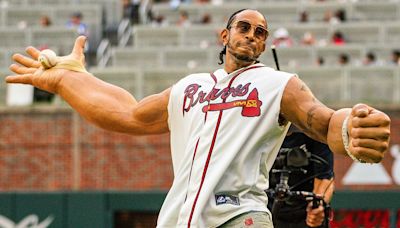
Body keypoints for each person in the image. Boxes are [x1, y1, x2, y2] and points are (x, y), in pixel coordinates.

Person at [6, 9, 391, 227]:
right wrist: (71, 80)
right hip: (180, 220)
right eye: (244, 28)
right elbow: (127, 112)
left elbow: (321, 121)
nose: (252, 36)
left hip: (241, 216)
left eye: (261, 32)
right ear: (224, 35)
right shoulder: (191, 87)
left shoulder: (278, 84)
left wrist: (349, 128)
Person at [268, 126, 334, 228]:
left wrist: (317, 207)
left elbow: (325, 177)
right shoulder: (261, 130)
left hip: (305, 209)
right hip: (267, 208)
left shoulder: (316, 130)